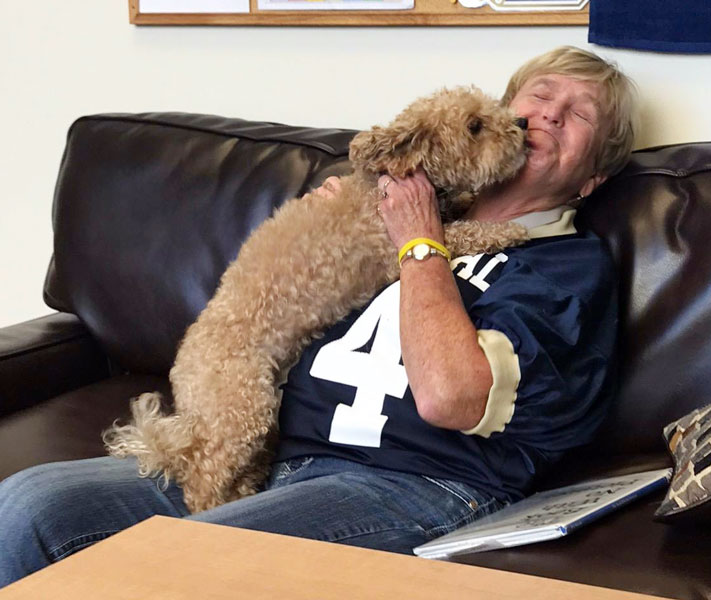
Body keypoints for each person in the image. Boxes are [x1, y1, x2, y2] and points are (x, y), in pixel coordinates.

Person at [0, 45, 636, 587]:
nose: (550, 112)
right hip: (280, 459)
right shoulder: (389, 206)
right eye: (540, 95)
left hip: (413, 483)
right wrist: (339, 225)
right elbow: (274, 307)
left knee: (187, 562)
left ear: (592, 179)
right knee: (30, 505)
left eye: (579, 114)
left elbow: (451, 398)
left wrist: (420, 244)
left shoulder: (568, 267)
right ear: (501, 118)